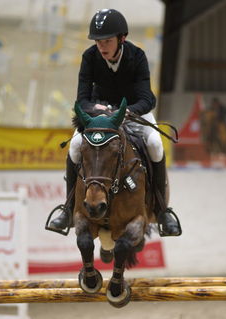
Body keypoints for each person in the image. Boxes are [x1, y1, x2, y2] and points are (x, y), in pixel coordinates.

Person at [49, 8, 181, 236]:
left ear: (122, 39)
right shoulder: (89, 57)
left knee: (155, 144)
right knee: (75, 145)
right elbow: (81, 99)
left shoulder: (137, 56)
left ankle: (162, 211)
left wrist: (127, 111)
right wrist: (96, 110)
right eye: (98, 41)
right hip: (100, 117)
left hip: (133, 112)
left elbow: (147, 98)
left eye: (107, 41)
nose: (101, 46)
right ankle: (68, 208)